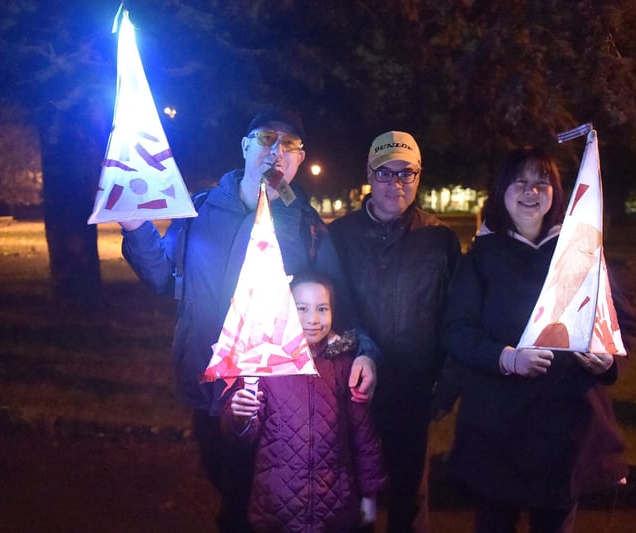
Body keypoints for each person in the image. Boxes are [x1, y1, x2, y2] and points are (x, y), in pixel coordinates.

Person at [119, 106, 378, 532]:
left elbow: (339, 303)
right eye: (265, 139)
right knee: (229, 492)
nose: (276, 152)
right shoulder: (200, 211)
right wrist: (135, 228)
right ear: (245, 146)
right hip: (211, 385)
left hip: (279, 399)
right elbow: (162, 277)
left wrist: (365, 350)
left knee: (267, 505)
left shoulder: (308, 227)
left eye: (289, 145)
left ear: (298, 160)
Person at [440, 147, 636, 533]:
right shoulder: (482, 257)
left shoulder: (581, 254)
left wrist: (608, 359)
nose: (531, 192)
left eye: (541, 183)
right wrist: (506, 358)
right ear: (503, 191)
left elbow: (621, 324)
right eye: (521, 182)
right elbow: (456, 331)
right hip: (496, 429)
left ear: (555, 193)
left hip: (562, 431)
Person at [329, 131, 462, 532]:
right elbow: (328, 307)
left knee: (409, 492)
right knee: (357, 489)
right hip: (351, 386)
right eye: (385, 173)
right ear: (369, 174)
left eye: (407, 173)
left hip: (413, 388)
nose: (396, 183)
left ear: (419, 177)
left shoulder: (439, 240)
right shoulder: (339, 236)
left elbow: (455, 315)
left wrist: (447, 384)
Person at [220, 271, 388, 532]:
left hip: (335, 507)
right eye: (302, 308)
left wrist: (369, 495)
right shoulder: (265, 364)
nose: (313, 319)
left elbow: (363, 435)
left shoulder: (344, 364)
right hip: (277, 507)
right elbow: (244, 434)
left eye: (322, 308)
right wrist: (240, 417)